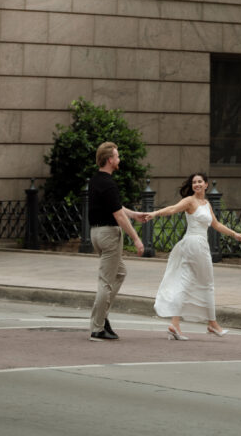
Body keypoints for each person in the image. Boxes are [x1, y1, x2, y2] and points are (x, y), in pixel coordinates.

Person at [146, 172, 241, 340]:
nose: (197, 184)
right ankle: (212, 324)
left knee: (185, 282)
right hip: (195, 244)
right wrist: (155, 214)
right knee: (207, 283)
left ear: (206, 185)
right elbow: (172, 209)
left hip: (197, 245)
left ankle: (175, 324)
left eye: (200, 182)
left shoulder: (206, 204)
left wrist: (234, 234)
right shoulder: (190, 201)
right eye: (194, 182)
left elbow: (215, 224)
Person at [88, 141, 147, 341]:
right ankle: (98, 327)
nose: (119, 159)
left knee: (120, 273)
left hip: (96, 234)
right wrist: (136, 238)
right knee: (106, 281)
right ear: (110, 160)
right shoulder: (109, 183)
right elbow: (118, 216)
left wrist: (135, 214)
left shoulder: (96, 180)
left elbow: (117, 208)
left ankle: (101, 317)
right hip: (109, 235)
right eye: (117, 156)